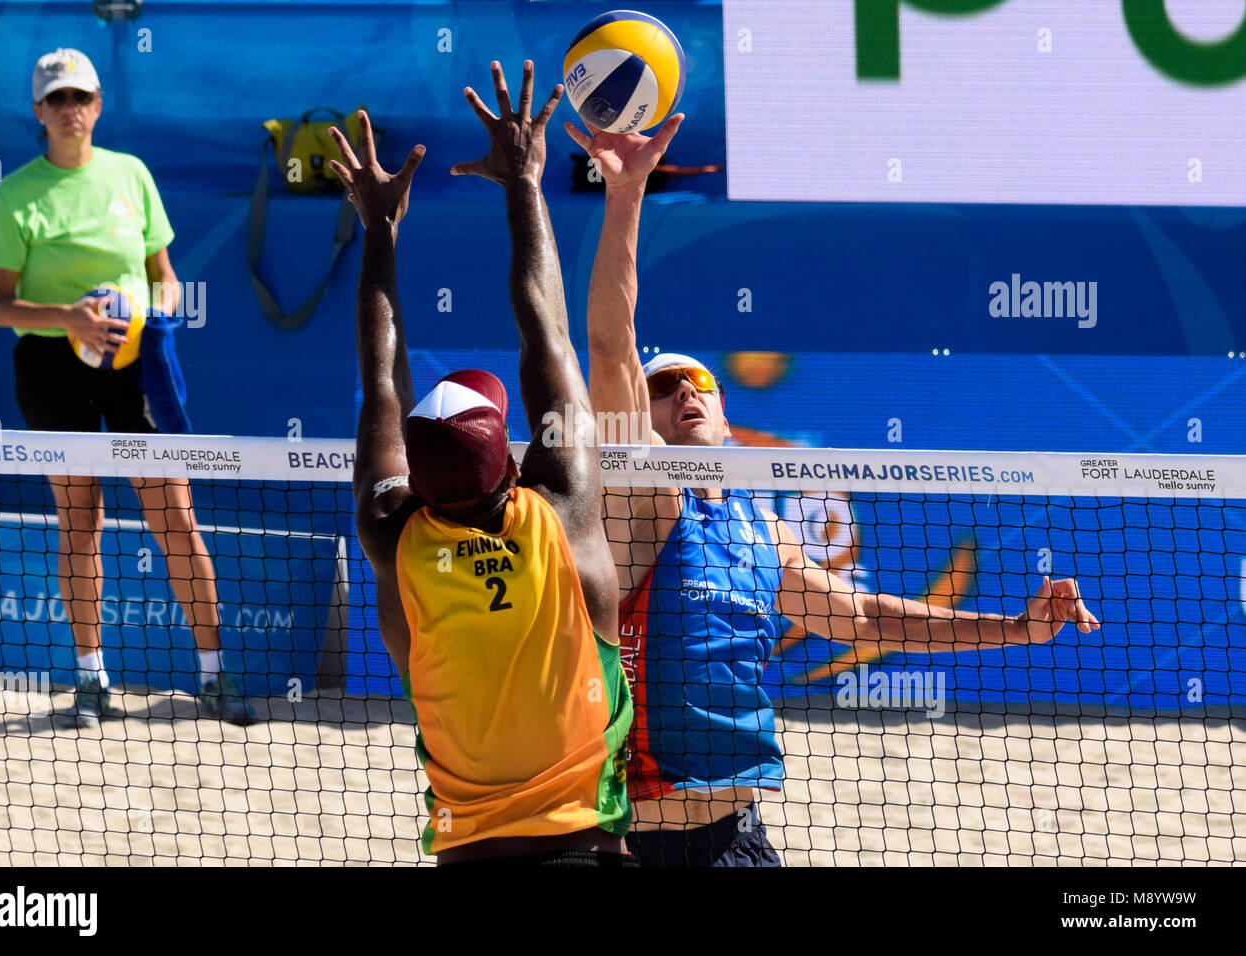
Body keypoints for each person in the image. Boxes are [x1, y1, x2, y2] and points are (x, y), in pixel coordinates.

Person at [567, 115, 1101, 867]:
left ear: (724, 415)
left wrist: (1016, 627)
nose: (685, 389)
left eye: (701, 383)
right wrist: (627, 195)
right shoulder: (643, 498)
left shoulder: (759, 533)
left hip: (737, 842)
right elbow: (609, 345)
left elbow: (867, 619)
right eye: (663, 386)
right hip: (635, 848)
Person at [336, 61, 634, 866]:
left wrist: (379, 234)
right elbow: (550, 339)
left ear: (413, 483)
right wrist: (524, 182)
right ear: (511, 465)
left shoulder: (391, 534)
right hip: (586, 847)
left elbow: (380, 390)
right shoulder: (565, 515)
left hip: (468, 853)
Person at [0, 48, 254, 727]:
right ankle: (91, 680)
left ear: (98, 106)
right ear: (39, 112)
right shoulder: (16, 194)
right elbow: (1, 306)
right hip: (51, 366)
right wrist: (69, 317)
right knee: (82, 523)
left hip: (135, 363)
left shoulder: (131, 175)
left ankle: (214, 677)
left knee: (175, 517)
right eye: (56, 99)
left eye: (80, 98)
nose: (70, 109)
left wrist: (153, 316)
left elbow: (165, 275)